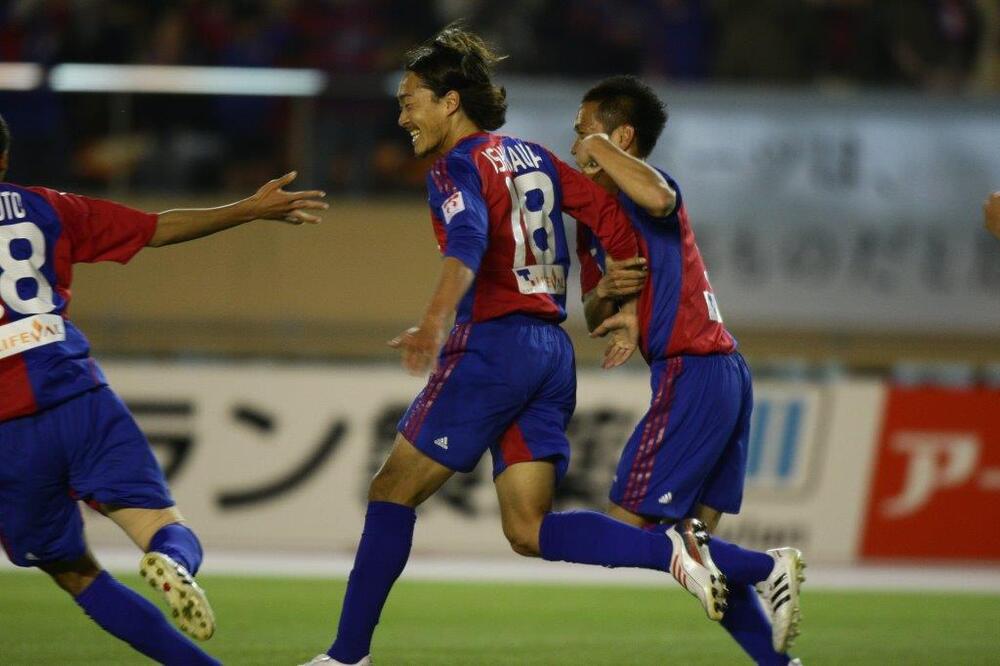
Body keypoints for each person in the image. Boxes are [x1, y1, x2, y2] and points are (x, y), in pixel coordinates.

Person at [303, 26, 730, 666]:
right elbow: (612, 216)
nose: (402, 117)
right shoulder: (535, 156)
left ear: (450, 102)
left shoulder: (457, 165)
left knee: (391, 491)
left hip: (493, 347)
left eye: (410, 101)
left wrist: (433, 321)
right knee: (528, 530)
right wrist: (626, 303)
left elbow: (469, 240)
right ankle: (669, 549)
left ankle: (346, 657)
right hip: (551, 356)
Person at [0, 111, 327, 665]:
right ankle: (173, 561)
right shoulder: (48, 206)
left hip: (8, 430)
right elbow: (154, 229)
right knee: (157, 523)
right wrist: (247, 209)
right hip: (76, 391)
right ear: (5, 158)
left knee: (74, 572)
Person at [571, 75, 806, 665]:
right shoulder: (592, 219)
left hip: (695, 372)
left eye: (585, 132)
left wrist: (599, 149)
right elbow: (591, 308)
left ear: (622, 137)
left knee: (631, 527)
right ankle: (779, 662)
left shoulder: (646, 188)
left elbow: (659, 198)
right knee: (696, 550)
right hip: (718, 372)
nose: (576, 145)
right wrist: (610, 296)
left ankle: (767, 565)